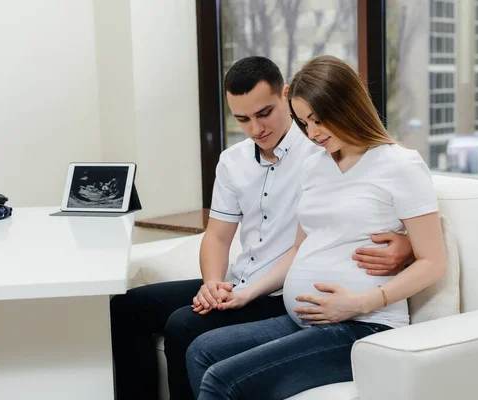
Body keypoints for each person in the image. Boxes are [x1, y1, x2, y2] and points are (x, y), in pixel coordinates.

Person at [109, 56, 413, 400]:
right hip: (244, 280)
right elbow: (218, 236)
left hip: (277, 291)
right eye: (242, 119)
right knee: (128, 306)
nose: (256, 129)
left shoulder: (321, 149)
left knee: (184, 325)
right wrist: (213, 284)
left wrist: (408, 244)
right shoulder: (233, 160)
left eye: (264, 113)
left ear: (285, 95)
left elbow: (380, 200)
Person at [185, 56, 447, 400]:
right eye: (305, 122)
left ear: (349, 107)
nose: (312, 133)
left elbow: (434, 261)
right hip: (307, 319)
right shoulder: (315, 164)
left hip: (364, 325)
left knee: (223, 380)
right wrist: (246, 293)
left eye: (319, 120)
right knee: (202, 349)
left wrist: (361, 303)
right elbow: (299, 249)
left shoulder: (400, 164)